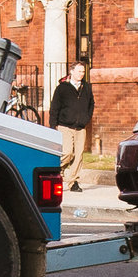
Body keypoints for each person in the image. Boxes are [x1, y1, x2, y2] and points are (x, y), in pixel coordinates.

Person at [47, 60, 93, 191]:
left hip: (80, 127)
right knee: (67, 153)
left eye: (83, 72)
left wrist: (86, 118)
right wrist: (53, 125)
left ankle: (73, 182)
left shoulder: (87, 87)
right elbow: (54, 107)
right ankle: (56, 170)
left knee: (78, 156)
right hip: (64, 126)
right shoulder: (62, 88)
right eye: (79, 71)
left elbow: (91, 104)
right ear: (71, 71)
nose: (81, 74)